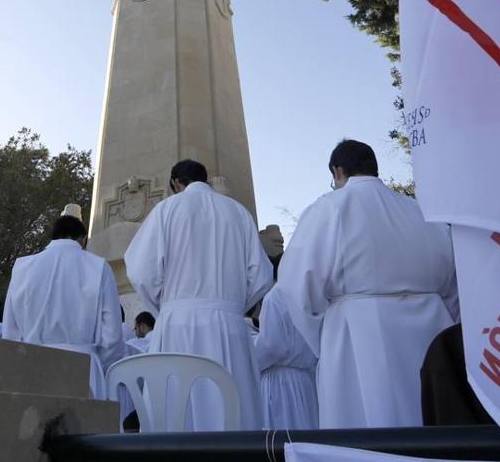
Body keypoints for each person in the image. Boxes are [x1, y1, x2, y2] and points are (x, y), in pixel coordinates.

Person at [276, 139, 458, 428]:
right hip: (432, 332)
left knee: (371, 430)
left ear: (337, 172)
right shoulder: (422, 212)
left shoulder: (331, 206)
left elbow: (297, 285)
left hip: (360, 335)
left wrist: (324, 338)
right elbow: (452, 284)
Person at [124, 159, 272, 430]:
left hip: (177, 327)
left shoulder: (167, 209)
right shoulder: (238, 213)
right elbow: (261, 275)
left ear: (176, 183)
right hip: (229, 330)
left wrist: (166, 306)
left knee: (175, 414)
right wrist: (234, 305)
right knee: (232, 411)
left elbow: (140, 270)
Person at [4, 215, 124, 399]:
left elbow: (10, 331)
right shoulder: (98, 266)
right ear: (84, 239)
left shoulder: (22, 267)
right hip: (83, 367)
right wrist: (101, 366)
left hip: (33, 365)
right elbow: (112, 336)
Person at [253, 290, 318, 430]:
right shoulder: (310, 295)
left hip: (279, 383)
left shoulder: (275, 296)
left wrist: (248, 346)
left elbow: (271, 347)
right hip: (305, 381)